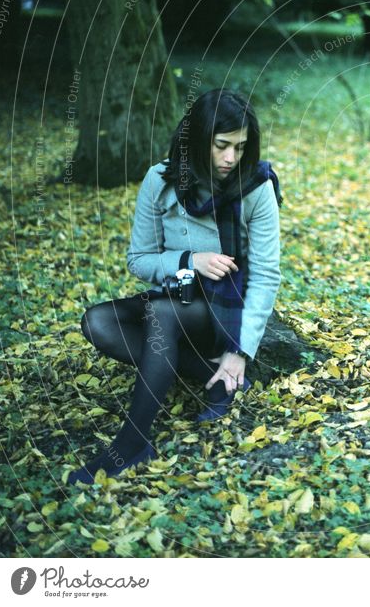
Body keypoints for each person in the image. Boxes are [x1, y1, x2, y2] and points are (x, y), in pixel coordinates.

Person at [67, 89, 282, 485]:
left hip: (223, 307)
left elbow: (267, 275)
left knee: (160, 313)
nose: (231, 158)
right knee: (98, 322)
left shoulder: (255, 187)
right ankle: (208, 377)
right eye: (221, 146)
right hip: (175, 294)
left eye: (240, 147)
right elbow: (140, 260)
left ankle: (132, 443)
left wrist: (239, 352)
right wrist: (189, 260)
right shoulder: (160, 180)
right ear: (199, 140)